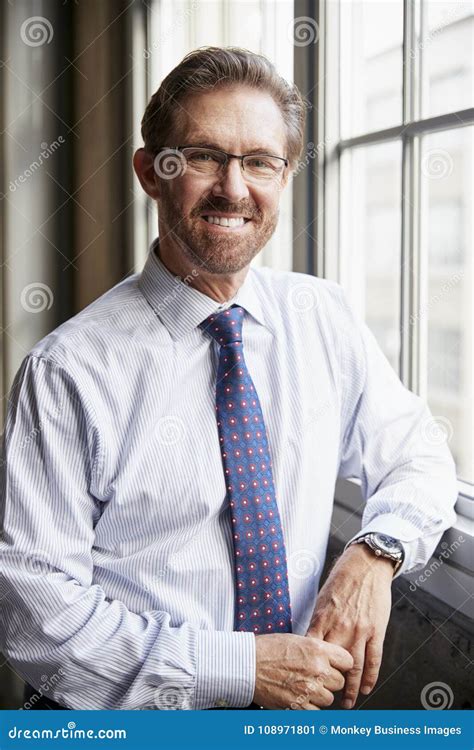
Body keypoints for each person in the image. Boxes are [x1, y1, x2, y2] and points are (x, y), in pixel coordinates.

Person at [0, 47, 457, 711]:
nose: (234, 189)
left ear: (286, 174)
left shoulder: (322, 316)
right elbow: (39, 620)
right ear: (151, 173)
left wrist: (373, 556)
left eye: (260, 162)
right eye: (204, 156)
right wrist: (239, 669)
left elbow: (418, 454)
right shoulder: (66, 373)